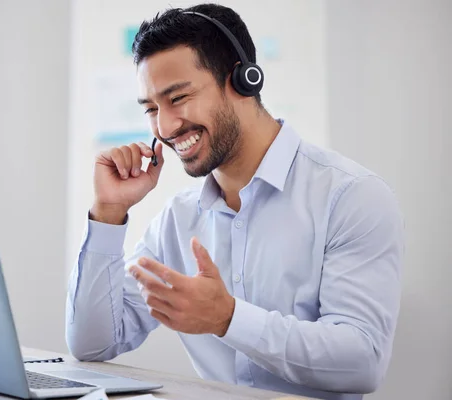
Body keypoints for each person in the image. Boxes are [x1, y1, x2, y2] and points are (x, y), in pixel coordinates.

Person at [65, 3, 404, 400]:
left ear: (243, 81)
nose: (165, 127)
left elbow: (362, 363)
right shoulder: (179, 219)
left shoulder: (351, 197)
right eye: (152, 109)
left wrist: (228, 318)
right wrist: (109, 212)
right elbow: (92, 345)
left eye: (178, 97)